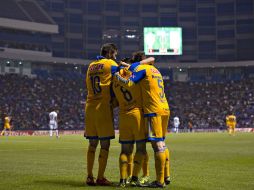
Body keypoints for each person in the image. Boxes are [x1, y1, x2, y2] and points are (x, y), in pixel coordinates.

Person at [115, 51, 171, 188]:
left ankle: (159, 182)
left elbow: (128, 83)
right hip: (165, 108)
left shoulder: (140, 69)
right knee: (162, 143)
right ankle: (166, 176)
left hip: (153, 110)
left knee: (156, 145)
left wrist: (117, 77)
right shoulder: (155, 69)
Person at [112, 57, 154, 187]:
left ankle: (122, 180)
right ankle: (135, 178)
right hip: (137, 115)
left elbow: (115, 102)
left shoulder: (114, 81)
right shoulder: (134, 74)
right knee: (141, 149)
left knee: (125, 150)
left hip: (123, 116)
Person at [84, 43, 118, 186]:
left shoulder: (91, 66)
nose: (116, 56)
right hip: (103, 107)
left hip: (90, 107)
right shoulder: (110, 63)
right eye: (115, 54)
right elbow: (122, 76)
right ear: (110, 53)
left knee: (92, 144)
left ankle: (89, 177)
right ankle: (100, 177)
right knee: (105, 144)